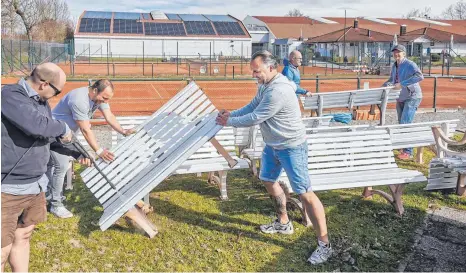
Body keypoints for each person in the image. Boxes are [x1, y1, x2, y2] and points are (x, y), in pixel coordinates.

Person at [216, 50, 333, 265]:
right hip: (272, 145)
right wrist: (230, 114)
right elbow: (252, 106)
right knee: (268, 180)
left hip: (291, 147)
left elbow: (255, 117)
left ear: (271, 68)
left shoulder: (278, 91)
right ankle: (283, 222)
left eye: (256, 71)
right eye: (252, 71)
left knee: (305, 194)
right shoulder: (265, 85)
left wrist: (228, 122)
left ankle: (324, 244)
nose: (254, 75)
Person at [1, 63, 85, 272]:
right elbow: (37, 126)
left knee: (24, 235)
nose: (56, 96)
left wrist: (75, 151)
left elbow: (45, 135)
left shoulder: (41, 101)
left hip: (36, 185)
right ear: (44, 84)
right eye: (57, 91)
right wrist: (63, 127)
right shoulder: (10, 96)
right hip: (9, 188)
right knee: (2, 248)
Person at [46, 79, 135, 218]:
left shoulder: (99, 99)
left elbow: (109, 116)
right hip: (53, 134)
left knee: (53, 166)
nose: (105, 101)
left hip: (66, 136)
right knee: (61, 166)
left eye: (108, 99)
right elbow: (85, 129)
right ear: (94, 90)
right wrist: (99, 151)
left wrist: (123, 131)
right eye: (104, 98)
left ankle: (50, 196)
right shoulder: (79, 100)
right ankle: (55, 205)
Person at [383, 44, 424, 160]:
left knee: (405, 123)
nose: (396, 54)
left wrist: (402, 84)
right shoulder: (394, 65)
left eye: (399, 52)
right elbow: (392, 80)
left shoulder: (410, 64)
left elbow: (420, 76)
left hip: (412, 96)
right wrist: (383, 87)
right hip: (400, 96)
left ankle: (408, 151)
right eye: (394, 52)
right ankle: (403, 146)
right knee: (401, 122)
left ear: (404, 53)